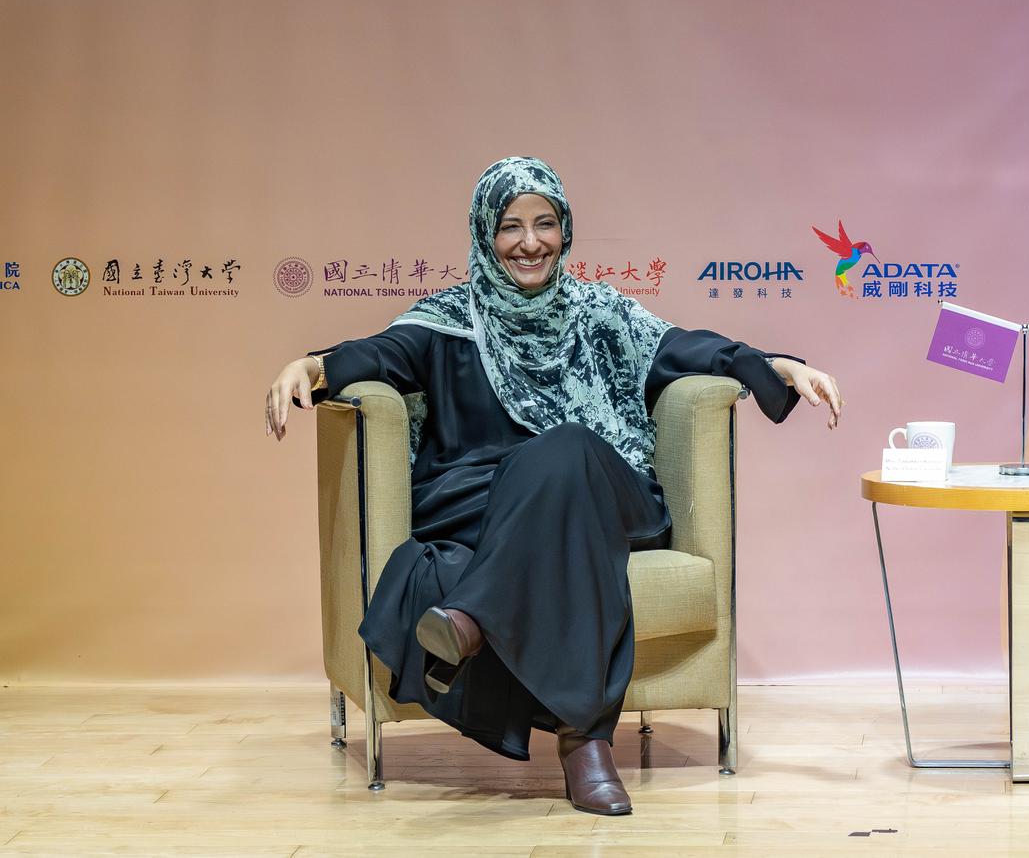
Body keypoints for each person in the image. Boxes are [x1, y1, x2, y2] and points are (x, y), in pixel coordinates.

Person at [263, 157, 844, 816]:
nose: (530, 241)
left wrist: (775, 366)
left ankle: (474, 617)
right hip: (491, 508)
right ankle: (585, 745)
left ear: (566, 230)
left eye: (545, 223)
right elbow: (375, 355)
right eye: (511, 226)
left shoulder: (602, 314)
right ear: (486, 234)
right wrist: (308, 365)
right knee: (549, 488)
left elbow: (686, 349)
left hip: (606, 495)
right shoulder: (449, 320)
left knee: (565, 448)